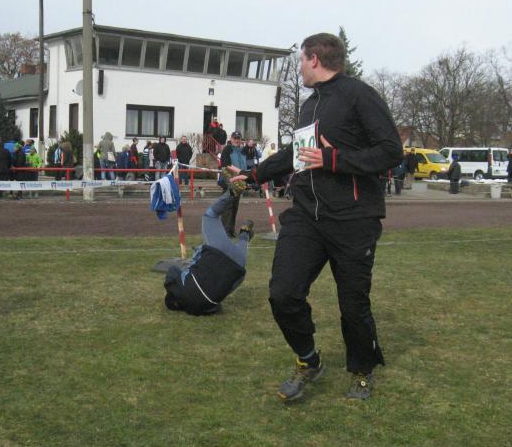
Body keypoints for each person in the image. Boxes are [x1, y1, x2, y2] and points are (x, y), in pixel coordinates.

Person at [233, 32, 403, 402]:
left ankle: (362, 371)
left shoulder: (359, 95)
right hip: (307, 216)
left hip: (353, 219)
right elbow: (297, 154)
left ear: (314, 59)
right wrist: (253, 174)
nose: (299, 69)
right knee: (282, 294)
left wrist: (334, 159)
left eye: (300, 61)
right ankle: (309, 360)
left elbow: (391, 151)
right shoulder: (310, 106)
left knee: (353, 305)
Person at [163, 187, 254, 316]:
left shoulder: (200, 309)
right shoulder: (176, 286)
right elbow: (172, 270)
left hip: (237, 267)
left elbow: (218, 307)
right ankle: (231, 193)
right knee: (210, 215)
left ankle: (245, 234)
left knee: (236, 273)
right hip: (216, 252)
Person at [220, 130, 248, 238]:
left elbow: (244, 165)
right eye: (235, 138)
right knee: (228, 207)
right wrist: (239, 173)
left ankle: (230, 230)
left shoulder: (242, 151)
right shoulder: (227, 149)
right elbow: (226, 165)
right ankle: (225, 231)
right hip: (230, 181)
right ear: (231, 139)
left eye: (238, 138)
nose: (236, 140)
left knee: (235, 207)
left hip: (239, 182)